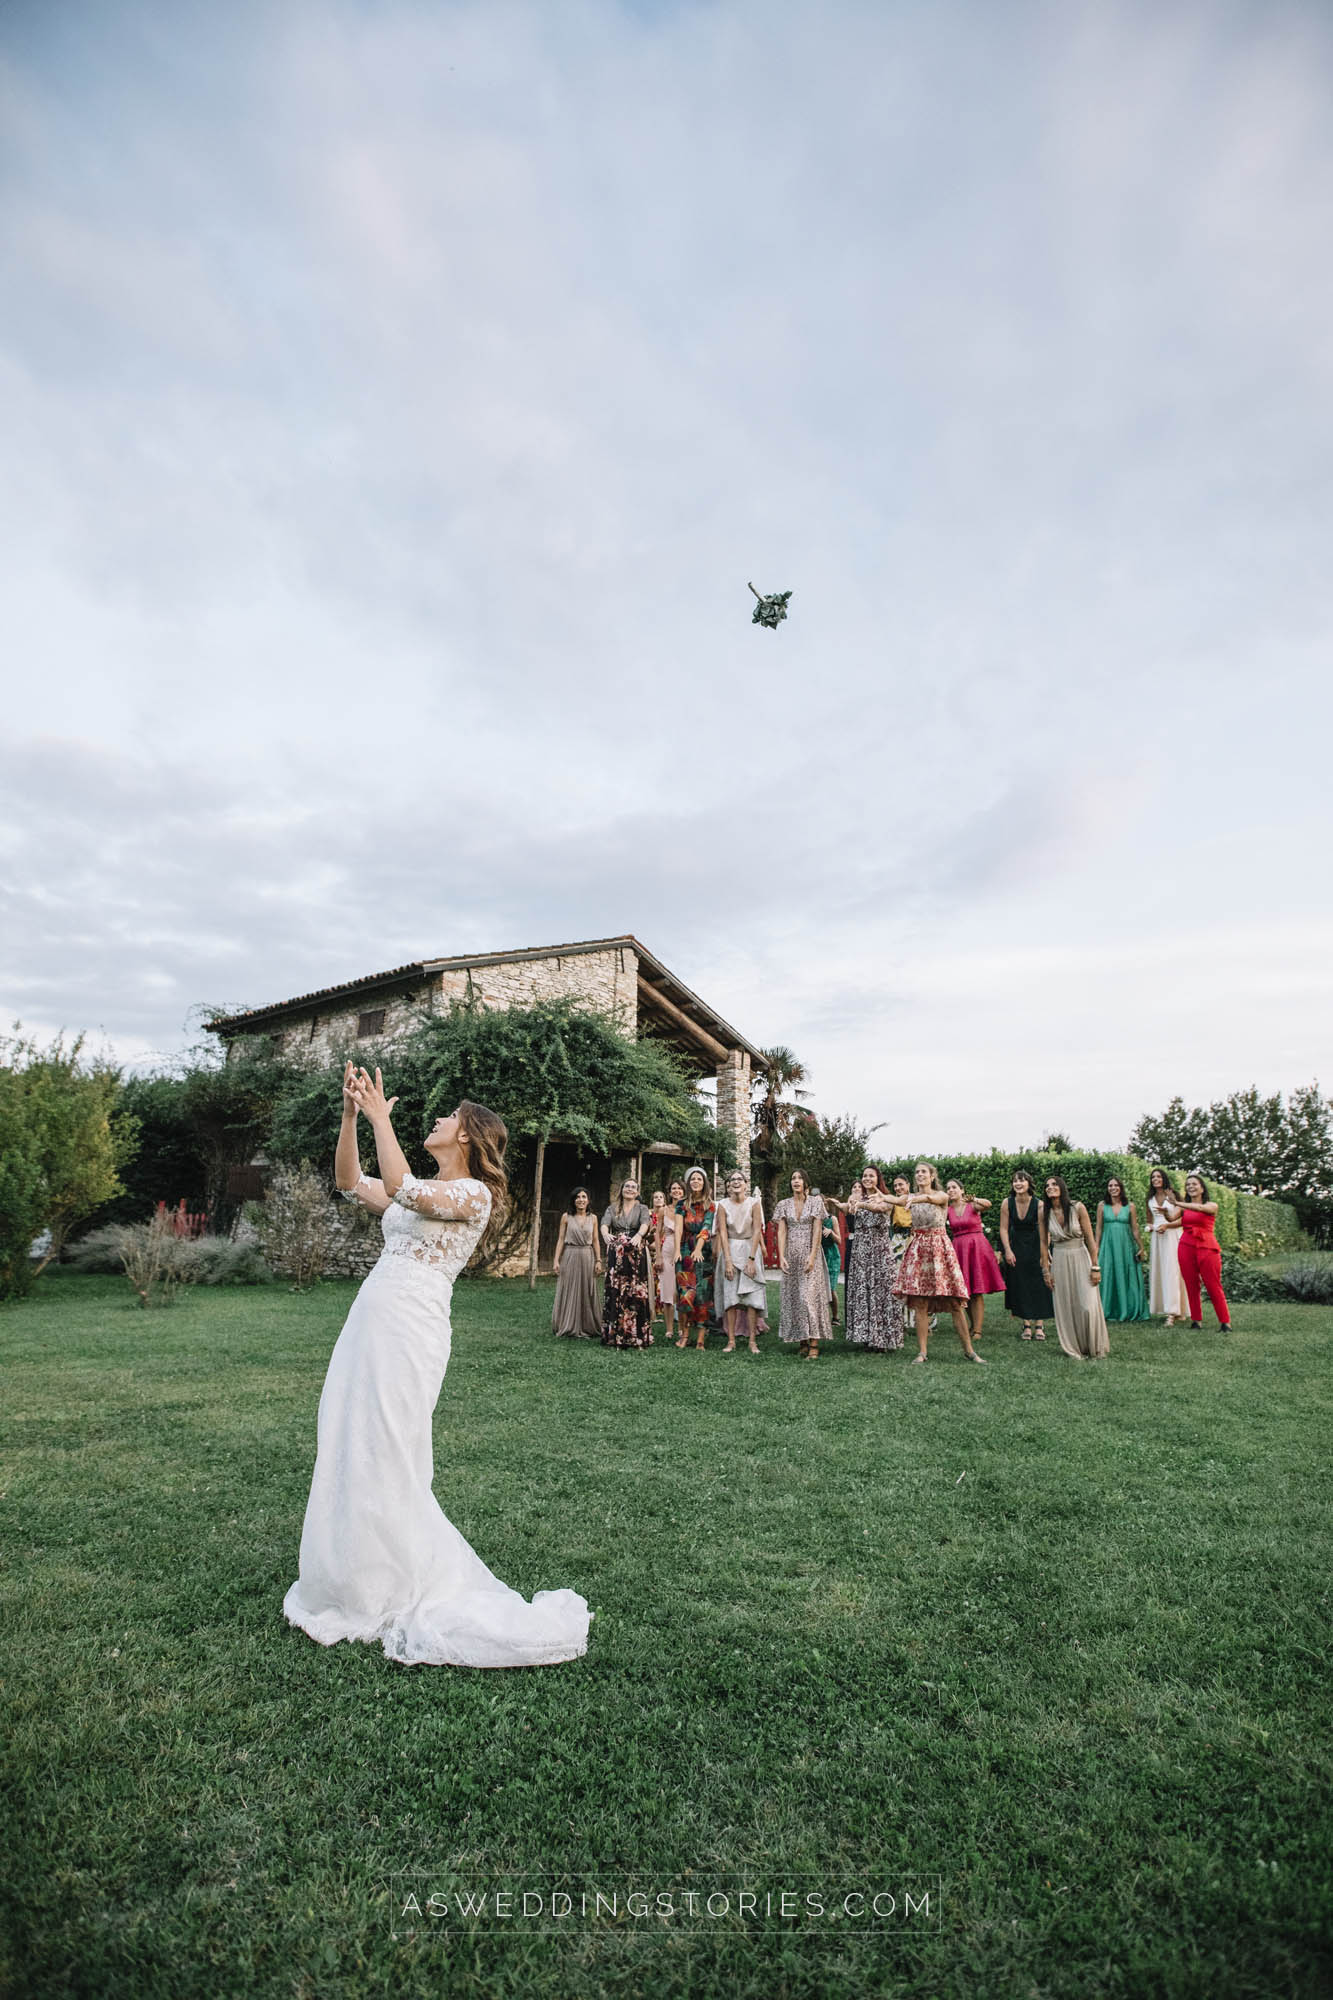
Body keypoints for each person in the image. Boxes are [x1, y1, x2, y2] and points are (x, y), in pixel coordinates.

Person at [283, 1062, 589, 1669]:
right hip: (371, 1319)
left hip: (412, 1327)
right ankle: (352, 1573)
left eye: (450, 1116)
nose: (440, 1119)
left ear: (469, 1136)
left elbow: (402, 1189)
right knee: (352, 1434)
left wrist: (380, 1117)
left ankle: (393, 1579)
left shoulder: (473, 1194)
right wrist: (351, 1117)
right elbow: (350, 1180)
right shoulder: (420, 1186)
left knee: (392, 1445)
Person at [893, 1163, 984, 1364]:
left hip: (940, 1249)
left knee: (954, 1302)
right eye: (916, 1172)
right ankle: (922, 1352)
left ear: (932, 1175)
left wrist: (917, 1198)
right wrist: (877, 1197)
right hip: (919, 1250)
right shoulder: (909, 1198)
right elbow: (891, 1199)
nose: (920, 1175)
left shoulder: (942, 1195)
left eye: (924, 1171)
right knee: (921, 1303)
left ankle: (969, 1351)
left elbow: (931, 1198)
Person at [1038, 1175, 1109, 1360]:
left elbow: (1090, 1239)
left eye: (1054, 1184)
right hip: (1060, 1259)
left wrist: (1095, 1267)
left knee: (1087, 1304)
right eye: (1047, 1186)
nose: (1050, 1187)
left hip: (1080, 1255)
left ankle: (1094, 1346)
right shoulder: (1043, 1212)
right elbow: (1043, 1244)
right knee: (1065, 1304)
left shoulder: (1078, 1207)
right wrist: (1046, 1270)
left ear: (1062, 1187)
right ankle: (1073, 1347)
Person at [844, 1165, 905, 1352]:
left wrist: (862, 1205)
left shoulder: (884, 1197)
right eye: (864, 1175)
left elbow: (880, 1209)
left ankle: (883, 1338)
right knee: (863, 1291)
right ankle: (866, 1337)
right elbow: (849, 1212)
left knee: (881, 1291)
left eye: (871, 1175)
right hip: (861, 1250)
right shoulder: (858, 1198)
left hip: (879, 1251)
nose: (867, 1178)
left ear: (878, 1178)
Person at [773, 1169, 832, 1357]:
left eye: (799, 1178)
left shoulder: (815, 1203)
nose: (796, 1181)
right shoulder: (783, 1204)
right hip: (791, 1256)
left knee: (809, 1298)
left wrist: (813, 1256)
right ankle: (802, 1340)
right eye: (793, 1178)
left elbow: (817, 1230)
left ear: (806, 1183)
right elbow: (781, 1231)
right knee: (796, 1298)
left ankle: (814, 1341)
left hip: (809, 1254)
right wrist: (781, 1256)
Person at [945, 1179, 1006, 1345]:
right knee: (965, 1290)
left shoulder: (972, 1205)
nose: (951, 1190)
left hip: (976, 1247)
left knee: (977, 1290)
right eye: (948, 1188)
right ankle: (972, 1326)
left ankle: (978, 1330)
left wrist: (974, 1199)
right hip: (958, 1248)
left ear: (962, 1190)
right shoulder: (948, 1209)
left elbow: (988, 1204)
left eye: (954, 1187)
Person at [998, 1167, 1053, 1341]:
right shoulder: (1007, 1203)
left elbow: (1046, 1233)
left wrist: (1045, 1254)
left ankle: (1040, 1326)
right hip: (1016, 1247)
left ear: (1029, 1184)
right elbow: (1003, 1228)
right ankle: (1026, 1325)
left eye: (1021, 1180)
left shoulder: (1040, 1204)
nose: (1018, 1183)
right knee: (1020, 1284)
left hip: (1036, 1245)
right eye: (1015, 1180)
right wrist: (1007, 1250)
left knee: (1039, 1285)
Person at [715, 1168, 766, 1354]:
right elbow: (722, 1232)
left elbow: (756, 1231)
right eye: (732, 1180)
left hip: (749, 1249)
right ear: (728, 1186)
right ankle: (731, 1340)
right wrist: (727, 1260)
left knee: (751, 1298)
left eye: (740, 1179)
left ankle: (752, 1341)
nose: (736, 1182)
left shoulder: (754, 1203)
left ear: (746, 1184)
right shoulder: (722, 1204)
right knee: (731, 1298)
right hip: (730, 1249)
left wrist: (752, 1259)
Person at [600, 1178, 653, 1348]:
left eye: (633, 1187)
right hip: (617, 1254)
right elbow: (604, 1224)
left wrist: (638, 1235)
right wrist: (605, 1235)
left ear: (637, 1192)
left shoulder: (642, 1208)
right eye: (627, 1186)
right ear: (622, 1190)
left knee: (635, 1291)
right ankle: (615, 1334)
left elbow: (646, 1223)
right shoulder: (612, 1208)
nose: (630, 1189)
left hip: (636, 1253)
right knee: (616, 1290)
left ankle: (636, 1335)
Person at [1176, 1174, 1233, 1330]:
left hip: (1206, 1246)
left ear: (1202, 1188)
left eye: (1194, 1184)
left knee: (1213, 1284)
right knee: (1191, 1283)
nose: (1191, 1187)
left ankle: (1225, 1322)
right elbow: (1173, 1219)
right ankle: (1196, 1321)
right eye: (1188, 1184)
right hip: (1186, 1245)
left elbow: (1201, 1208)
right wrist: (1165, 1213)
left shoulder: (1211, 1205)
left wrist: (1179, 1203)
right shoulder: (1184, 1208)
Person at [1095, 1176, 1148, 1322]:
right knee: (1107, 1274)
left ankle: (1127, 1309)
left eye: (1116, 1185)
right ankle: (1107, 1309)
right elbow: (1098, 1228)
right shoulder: (1101, 1205)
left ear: (1121, 1188)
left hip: (1126, 1246)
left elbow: (1135, 1229)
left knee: (1126, 1275)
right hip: (1108, 1245)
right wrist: (1096, 1247)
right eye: (1110, 1185)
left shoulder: (1130, 1206)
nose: (1113, 1188)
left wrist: (1141, 1247)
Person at [551, 1187, 602, 1338]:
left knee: (587, 1289)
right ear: (574, 1201)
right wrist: (556, 1260)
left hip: (587, 1255)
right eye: (578, 1197)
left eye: (584, 1197)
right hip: (570, 1255)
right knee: (569, 1288)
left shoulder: (593, 1218)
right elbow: (561, 1239)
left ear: (588, 1200)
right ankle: (567, 1324)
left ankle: (588, 1325)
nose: (581, 1200)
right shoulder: (566, 1217)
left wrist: (598, 1260)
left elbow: (595, 1240)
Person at [676, 1168, 716, 1350]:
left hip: (704, 1253)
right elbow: (678, 1228)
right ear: (688, 1182)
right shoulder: (682, 1204)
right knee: (685, 1295)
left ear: (704, 1182)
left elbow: (706, 1227)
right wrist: (677, 1250)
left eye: (699, 1178)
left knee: (703, 1296)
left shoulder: (710, 1205)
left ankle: (700, 1338)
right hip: (685, 1252)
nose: (696, 1181)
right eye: (693, 1179)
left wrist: (699, 1249)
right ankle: (685, 1335)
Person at [1146, 1168, 1186, 1324]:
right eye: (1153, 1177)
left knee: (1173, 1271)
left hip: (1172, 1235)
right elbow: (1149, 1220)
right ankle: (1169, 1309)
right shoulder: (1150, 1198)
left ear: (1164, 1178)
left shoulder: (1173, 1195)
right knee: (1161, 1271)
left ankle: (1173, 1312)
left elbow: (1181, 1219)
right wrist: (1149, 1227)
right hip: (1157, 1237)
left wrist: (1167, 1226)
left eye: (1158, 1176)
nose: (1155, 1179)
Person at [651, 1188, 679, 1343]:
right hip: (667, 1251)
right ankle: (669, 1329)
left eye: (679, 1188)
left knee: (682, 1292)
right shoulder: (663, 1210)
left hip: (683, 1250)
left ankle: (682, 1327)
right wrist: (658, 1255)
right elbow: (658, 1233)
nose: (677, 1191)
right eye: (674, 1188)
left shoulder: (688, 1208)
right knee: (668, 1291)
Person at [814, 1191, 843, 1325]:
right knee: (817, 1289)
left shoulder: (832, 1219)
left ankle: (835, 1317)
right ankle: (820, 1317)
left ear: (824, 1203)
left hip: (831, 1257)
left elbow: (839, 1241)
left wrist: (830, 1232)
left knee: (830, 1288)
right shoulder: (813, 1220)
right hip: (818, 1256)